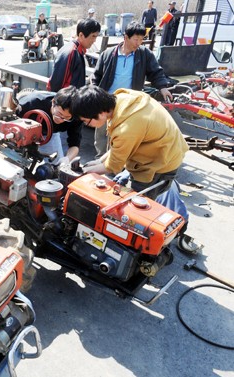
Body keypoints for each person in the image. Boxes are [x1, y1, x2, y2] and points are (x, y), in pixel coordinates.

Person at [71, 85, 201, 255]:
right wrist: (94, 164)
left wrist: (85, 174)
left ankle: (134, 252)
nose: (87, 124)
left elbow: (113, 166)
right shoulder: (123, 98)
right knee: (122, 186)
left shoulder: (127, 128)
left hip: (159, 164)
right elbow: (115, 151)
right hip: (164, 149)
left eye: (86, 121)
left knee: (134, 212)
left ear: (101, 113)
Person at [91, 21, 173, 158]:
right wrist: (95, 94)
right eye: (136, 39)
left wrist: (163, 87)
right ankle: (100, 157)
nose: (139, 43)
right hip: (106, 99)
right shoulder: (108, 54)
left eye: (141, 39)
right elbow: (96, 76)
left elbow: (155, 72)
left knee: (124, 133)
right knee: (101, 131)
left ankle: (117, 161)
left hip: (129, 103)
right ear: (126, 37)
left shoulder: (144, 54)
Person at [13, 86, 81, 165]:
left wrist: (67, 159)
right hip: (22, 130)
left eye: (66, 117)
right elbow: (11, 119)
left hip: (49, 134)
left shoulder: (76, 117)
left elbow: (75, 144)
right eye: (59, 114)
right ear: (53, 102)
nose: (61, 119)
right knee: (14, 159)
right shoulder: (32, 103)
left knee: (56, 165)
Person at [47, 18, 101, 92]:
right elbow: (56, 84)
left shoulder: (78, 51)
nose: (94, 40)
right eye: (93, 36)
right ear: (81, 35)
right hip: (66, 101)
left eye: (96, 37)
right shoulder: (71, 52)